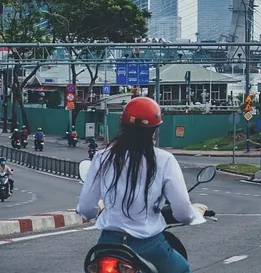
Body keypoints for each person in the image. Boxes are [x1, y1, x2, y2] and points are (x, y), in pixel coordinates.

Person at [77, 97, 207, 273]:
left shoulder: (102, 157)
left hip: (107, 245)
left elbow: (85, 209)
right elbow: (183, 212)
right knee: (182, 269)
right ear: (155, 130)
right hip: (149, 246)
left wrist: (100, 210)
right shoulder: (164, 160)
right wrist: (195, 214)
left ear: (122, 125)